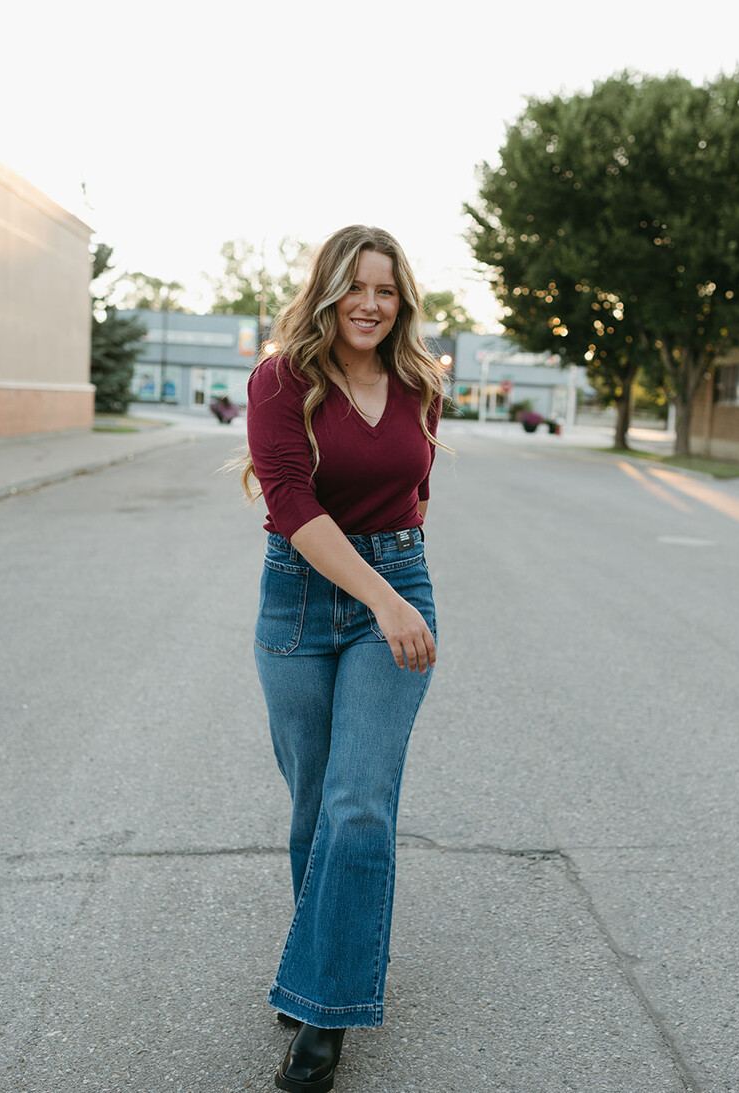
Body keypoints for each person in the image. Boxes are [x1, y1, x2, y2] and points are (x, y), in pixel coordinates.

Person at [238, 225, 448, 1092]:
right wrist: (380, 594)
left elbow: (414, 490)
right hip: (297, 596)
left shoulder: (420, 383)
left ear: (402, 301)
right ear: (327, 290)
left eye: (385, 289)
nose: (369, 303)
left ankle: (322, 1012)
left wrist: (394, 596)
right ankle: (323, 968)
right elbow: (288, 499)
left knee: (358, 804)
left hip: (394, 594)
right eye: (355, 286)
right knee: (313, 808)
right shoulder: (281, 378)